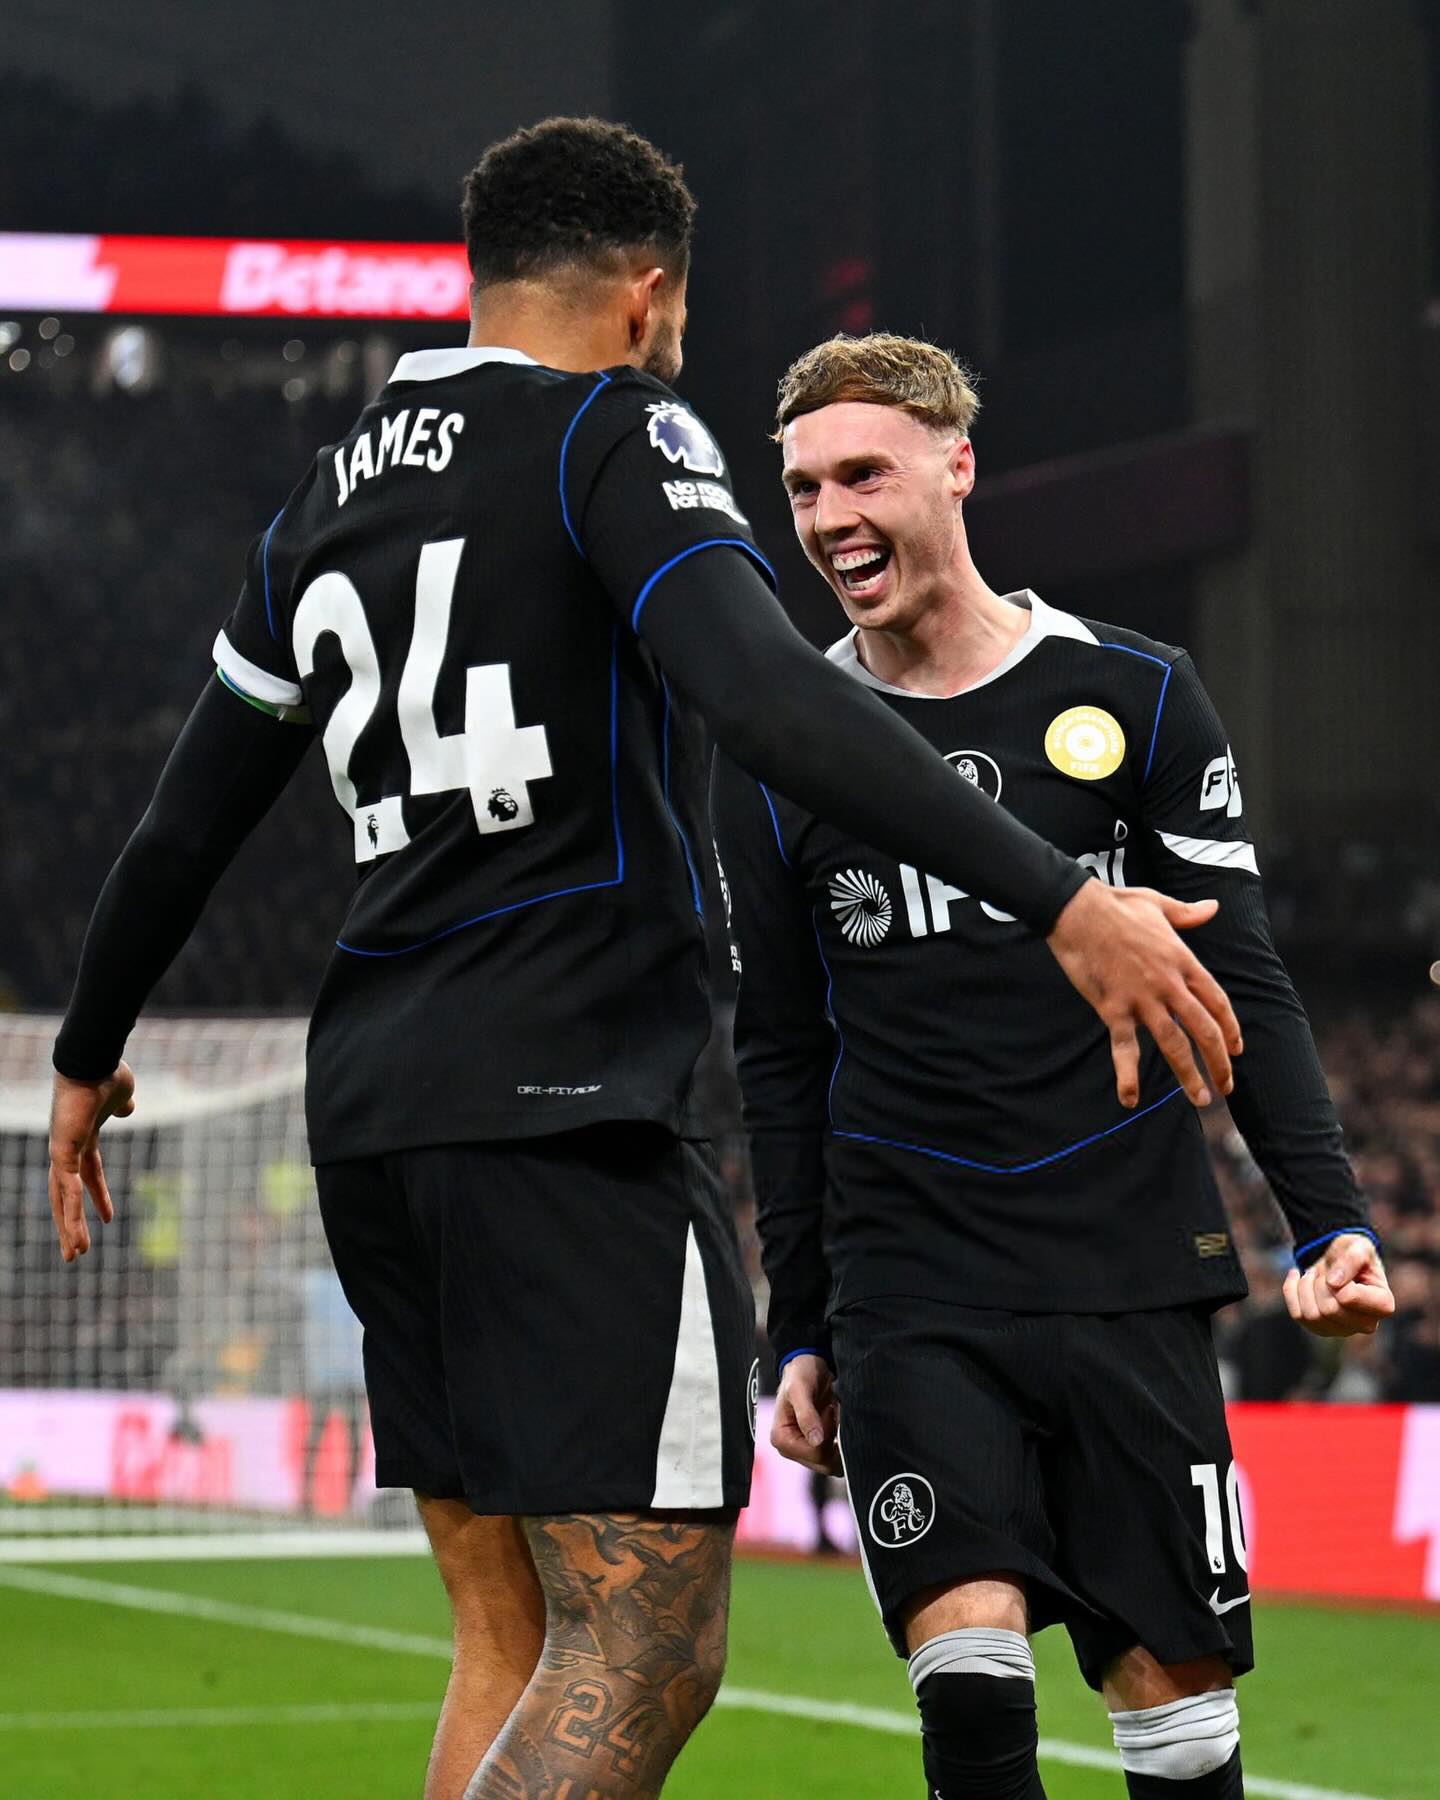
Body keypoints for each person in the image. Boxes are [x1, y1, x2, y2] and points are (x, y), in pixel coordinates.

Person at [46, 124, 1239, 1800]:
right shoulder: (615, 428)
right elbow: (765, 692)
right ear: (644, 290)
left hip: (378, 1109)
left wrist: (86, 1049)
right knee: (644, 1647)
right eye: (678, 311)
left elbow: (186, 820)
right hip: (572, 1108)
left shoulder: (323, 498)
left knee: (510, 1637)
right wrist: (1057, 894)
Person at [712, 333, 1394, 1800]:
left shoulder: (1135, 695)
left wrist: (1326, 1220)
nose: (829, 518)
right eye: (804, 488)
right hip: (913, 1279)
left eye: (864, 475)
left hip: (1128, 1261)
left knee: (1181, 1731)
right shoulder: (777, 747)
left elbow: (1243, 979)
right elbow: (780, 1052)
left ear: (958, 467)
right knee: (970, 1693)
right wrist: (802, 1319)